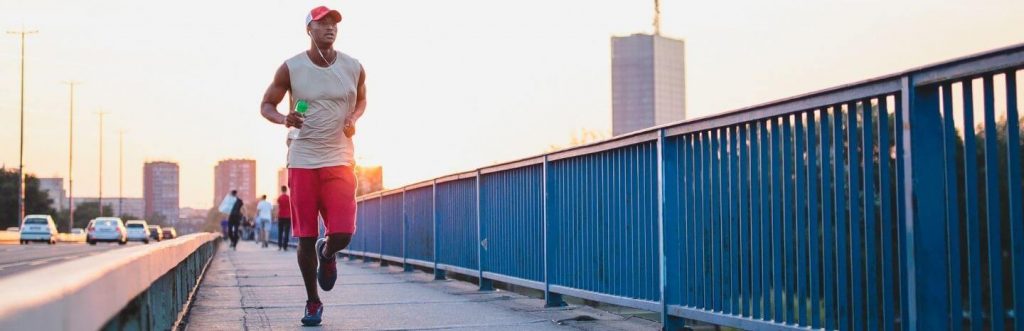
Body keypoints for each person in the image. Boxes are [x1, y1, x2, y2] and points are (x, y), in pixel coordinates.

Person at [260, 5, 366, 326]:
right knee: (305, 236)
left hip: (340, 160)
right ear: (309, 29)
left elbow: (362, 99)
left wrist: (353, 117)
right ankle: (313, 302)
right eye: (322, 23)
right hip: (303, 160)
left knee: (343, 233)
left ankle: (328, 252)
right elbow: (266, 104)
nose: (330, 28)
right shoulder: (291, 68)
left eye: (334, 23)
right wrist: (284, 118)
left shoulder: (353, 67)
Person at [277, 186, 292, 251]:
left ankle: (279, 246)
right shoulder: (289, 198)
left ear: (281, 190)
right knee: (286, 232)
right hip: (288, 216)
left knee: (280, 231)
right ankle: (285, 246)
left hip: (280, 216)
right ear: (286, 190)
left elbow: (279, 206)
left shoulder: (279, 198)